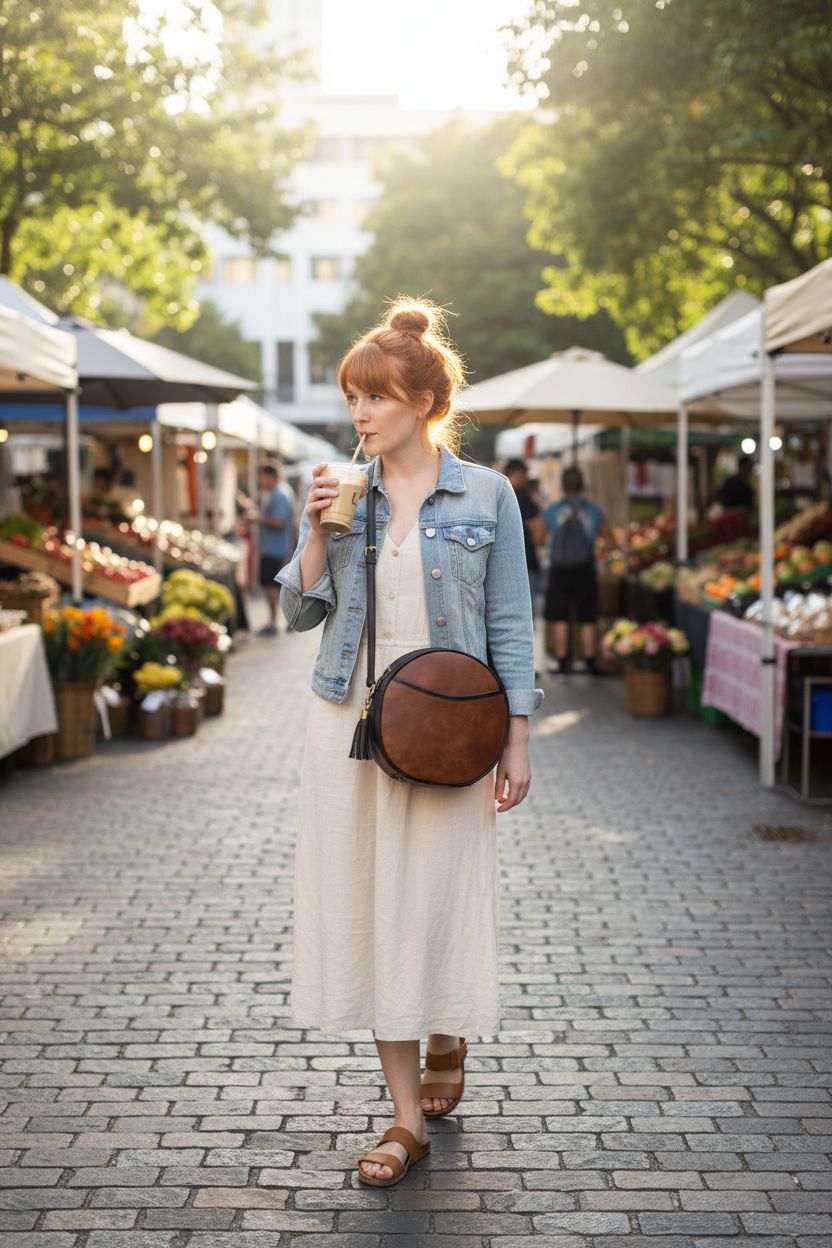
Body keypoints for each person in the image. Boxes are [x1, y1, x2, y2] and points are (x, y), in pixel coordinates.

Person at [277, 298, 542, 1188]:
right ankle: (402, 1121)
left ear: (427, 402)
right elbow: (297, 609)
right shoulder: (342, 489)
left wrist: (518, 738)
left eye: (378, 397)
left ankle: (448, 1027)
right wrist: (316, 527)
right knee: (370, 906)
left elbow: (509, 623)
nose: (360, 414)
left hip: (450, 728)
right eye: (354, 396)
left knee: (434, 899)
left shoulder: (489, 495)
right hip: (348, 726)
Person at [543, 464, 612, 675]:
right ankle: (590, 662)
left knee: (560, 616)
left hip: (559, 569)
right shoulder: (593, 511)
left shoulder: (552, 511)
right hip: (585, 568)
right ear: (583, 485)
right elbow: (610, 542)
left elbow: (537, 538)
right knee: (587, 616)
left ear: (562, 486)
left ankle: (563, 663)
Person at [249, 463, 294, 636]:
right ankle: (280, 621)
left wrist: (257, 518)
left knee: (272, 587)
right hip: (276, 547)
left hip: (274, 549)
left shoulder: (279, 494)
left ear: (270, 476)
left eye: (262, 476)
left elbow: (278, 521)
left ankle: (275, 622)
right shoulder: (281, 492)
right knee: (276, 587)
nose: (260, 480)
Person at [504, 457, 546, 609]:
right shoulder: (522, 496)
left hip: (503, 566)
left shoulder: (497, 496)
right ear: (517, 473)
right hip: (526, 564)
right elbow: (538, 533)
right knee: (527, 613)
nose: (527, 478)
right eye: (525, 474)